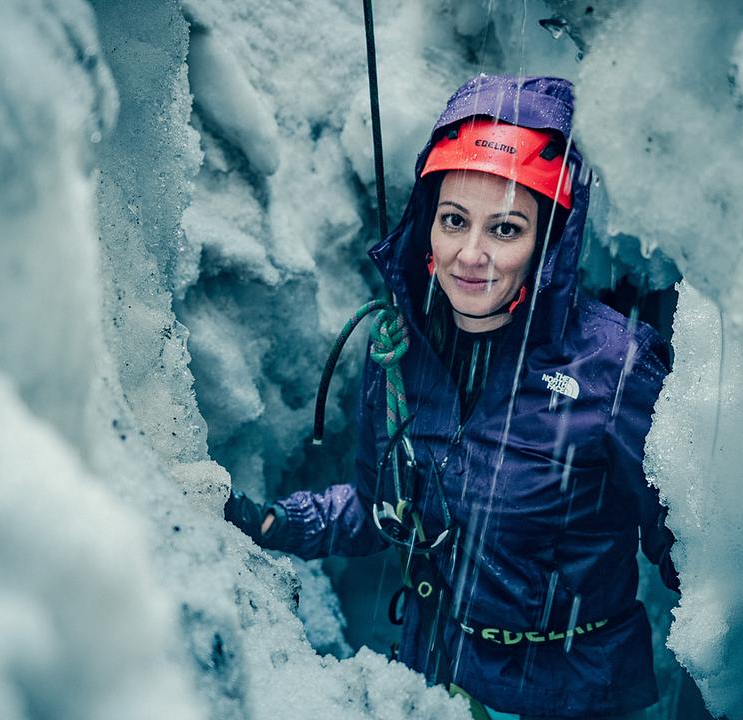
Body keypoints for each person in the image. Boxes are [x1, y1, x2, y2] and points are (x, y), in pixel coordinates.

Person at [226, 75, 679, 720]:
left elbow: (684, 550)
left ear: (548, 241)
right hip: (437, 680)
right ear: (426, 228)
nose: (471, 255)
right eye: (454, 220)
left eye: (506, 228)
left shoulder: (613, 369)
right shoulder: (400, 349)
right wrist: (276, 524)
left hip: (573, 698)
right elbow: (375, 506)